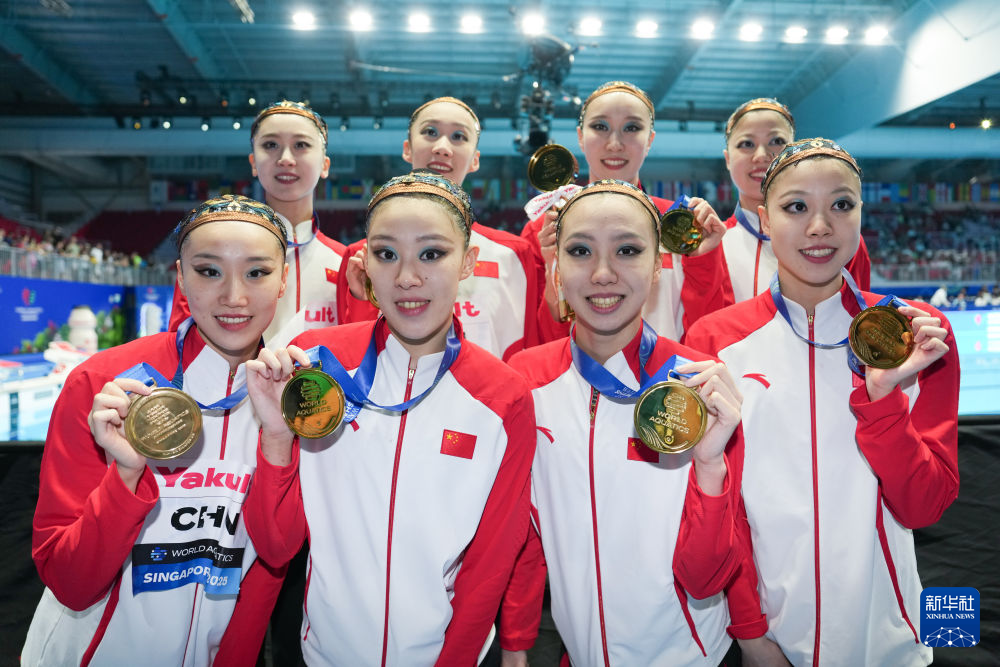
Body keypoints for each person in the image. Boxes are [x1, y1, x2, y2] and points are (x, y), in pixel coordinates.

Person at [242, 171, 536, 664]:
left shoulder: (503, 397)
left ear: (468, 262)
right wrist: (275, 436)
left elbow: (491, 562)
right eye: (386, 254)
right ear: (365, 263)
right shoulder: (316, 366)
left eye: (432, 254)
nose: (406, 278)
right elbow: (275, 546)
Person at [685, 139, 960, 666]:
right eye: (796, 207)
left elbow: (924, 508)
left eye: (841, 204)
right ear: (765, 219)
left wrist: (882, 400)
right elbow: (722, 507)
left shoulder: (916, 337)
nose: (820, 226)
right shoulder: (715, 341)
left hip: (891, 644)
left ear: (861, 213)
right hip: (769, 641)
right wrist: (752, 634)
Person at [22, 195, 291, 665]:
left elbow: (273, 559)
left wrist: (278, 439)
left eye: (256, 272)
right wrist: (126, 476)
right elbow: (69, 582)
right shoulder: (102, 384)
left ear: (284, 279)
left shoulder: (291, 398)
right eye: (209, 271)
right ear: (181, 277)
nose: (234, 296)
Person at [500, 180, 745, 665]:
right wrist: (515, 645)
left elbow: (707, 580)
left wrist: (710, 465)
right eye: (580, 251)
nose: (603, 273)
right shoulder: (525, 380)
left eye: (628, 250)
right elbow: (526, 534)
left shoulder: (698, 386)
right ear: (556, 266)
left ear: (657, 266)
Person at [520, 81, 731, 344]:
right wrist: (556, 274)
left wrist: (702, 261)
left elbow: (710, 333)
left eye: (631, 128)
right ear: (580, 136)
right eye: (600, 127)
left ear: (650, 139)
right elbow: (538, 342)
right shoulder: (544, 230)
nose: (615, 144)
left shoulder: (683, 223)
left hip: (668, 370)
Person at [337, 96, 540, 360]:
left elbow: (530, 354)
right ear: (407, 149)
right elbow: (351, 359)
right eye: (430, 132)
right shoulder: (360, 257)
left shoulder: (515, 254)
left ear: (475, 159)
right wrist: (362, 301)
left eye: (458, 136)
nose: (442, 148)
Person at [168, 100, 345, 346]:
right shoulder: (210, 251)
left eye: (301, 145)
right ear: (253, 162)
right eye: (271, 145)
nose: (285, 159)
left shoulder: (347, 263)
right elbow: (182, 347)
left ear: (325, 164)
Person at [718, 98, 870, 302]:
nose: (762, 156)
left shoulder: (840, 240)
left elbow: (856, 315)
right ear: (728, 159)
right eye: (747, 144)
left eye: (776, 141)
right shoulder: (712, 246)